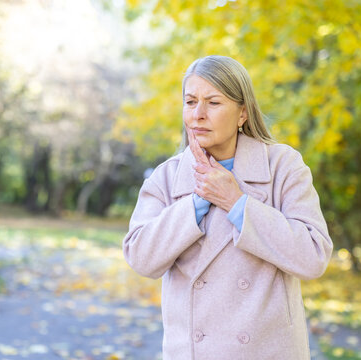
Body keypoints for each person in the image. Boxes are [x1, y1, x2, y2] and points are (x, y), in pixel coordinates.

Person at [123, 55, 333, 360]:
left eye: (214, 103)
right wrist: (196, 203)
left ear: (242, 113)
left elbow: (313, 257)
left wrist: (236, 203)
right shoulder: (167, 177)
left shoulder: (283, 167)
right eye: (190, 102)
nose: (198, 114)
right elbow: (140, 257)